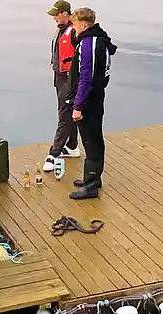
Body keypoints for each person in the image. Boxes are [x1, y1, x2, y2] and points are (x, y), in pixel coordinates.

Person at [66, 7, 116, 200]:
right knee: (93, 137)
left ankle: (91, 186)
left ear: (83, 24)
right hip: (94, 97)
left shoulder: (90, 43)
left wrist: (78, 105)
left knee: (91, 140)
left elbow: (87, 77)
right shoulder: (97, 40)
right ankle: (93, 177)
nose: (74, 28)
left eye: (75, 24)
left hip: (89, 100)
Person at [43, 0, 82, 173]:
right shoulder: (61, 30)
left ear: (66, 14)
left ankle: (54, 153)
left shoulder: (74, 32)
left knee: (65, 115)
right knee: (66, 111)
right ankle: (72, 146)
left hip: (69, 79)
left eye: (56, 15)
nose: (54, 18)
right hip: (60, 77)